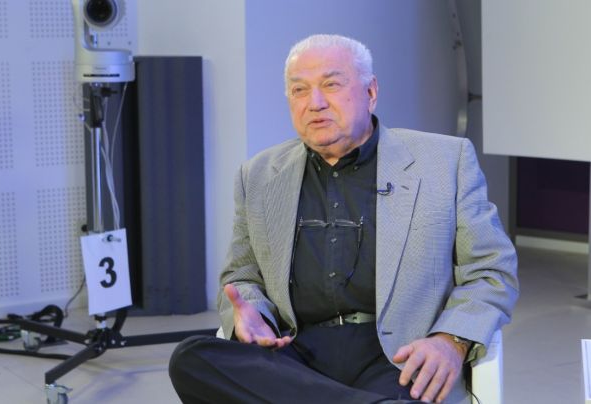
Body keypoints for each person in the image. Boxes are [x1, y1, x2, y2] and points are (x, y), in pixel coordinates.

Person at [169, 34, 518, 404]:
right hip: (293, 357)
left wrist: (451, 340)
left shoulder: (444, 161)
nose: (315, 103)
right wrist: (252, 312)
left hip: (398, 359)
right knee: (192, 357)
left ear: (370, 92)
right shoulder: (258, 175)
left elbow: (492, 270)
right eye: (299, 90)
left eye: (331, 85)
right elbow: (242, 276)